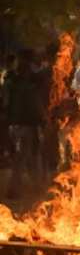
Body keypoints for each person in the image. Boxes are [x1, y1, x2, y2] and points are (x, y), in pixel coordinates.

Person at [3, 49, 45, 199]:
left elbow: (6, 105)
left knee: (27, 156)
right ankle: (15, 189)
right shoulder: (25, 86)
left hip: (17, 125)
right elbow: (34, 106)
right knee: (24, 157)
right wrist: (42, 120)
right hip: (25, 125)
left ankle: (33, 187)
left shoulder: (12, 83)